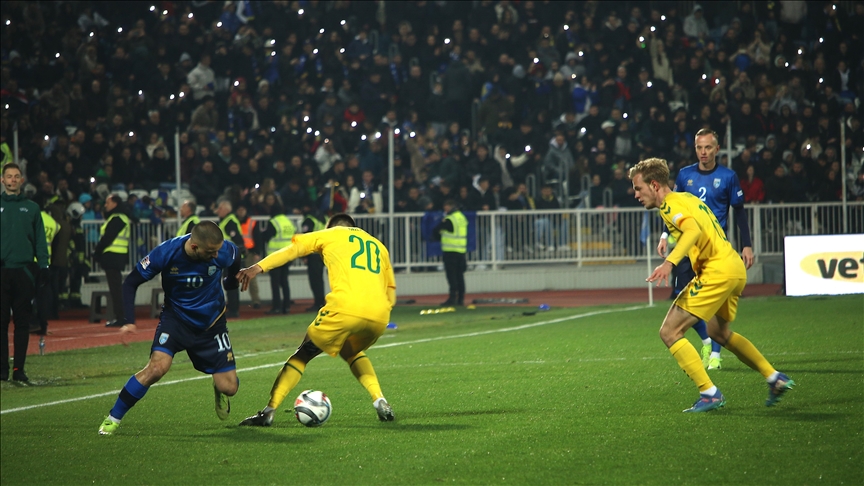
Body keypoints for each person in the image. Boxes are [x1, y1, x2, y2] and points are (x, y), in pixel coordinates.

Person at [629, 157, 794, 412]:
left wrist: (669, 263)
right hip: (733, 269)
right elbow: (694, 227)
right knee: (719, 333)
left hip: (715, 271)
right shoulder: (687, 199)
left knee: (669, 332)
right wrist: (668, 237)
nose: (635, 194)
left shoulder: (671, 205)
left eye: (638, 188)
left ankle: (709, 393)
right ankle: (774, 378)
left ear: (654, 184)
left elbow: (692, 230)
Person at [235, 213, 396, 426]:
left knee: (303, 353)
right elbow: (391, 291)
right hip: (379, 316)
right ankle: (379, 400)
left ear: (331, 227)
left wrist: (257, 267)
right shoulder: (379, 246)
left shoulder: (330, 234)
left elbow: (292, 250)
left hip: (345, 308)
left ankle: (268, 411)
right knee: (351, 351)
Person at [97, 222, 242, 435]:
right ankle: (113, 418)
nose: (216, 256)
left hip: (212, 323)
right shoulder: (166, 252)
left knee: (230, 388)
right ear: (194, 247)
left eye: (218, 250)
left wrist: (230, 281)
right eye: (210, 252)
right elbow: (130, 283)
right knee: (156, 368)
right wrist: (129, 320)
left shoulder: (222, 251)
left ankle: (217, 385)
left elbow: (235, 256)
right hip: (176, 320)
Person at [658, 128, 754, 371]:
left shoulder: (728, 176)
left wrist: (747, 244)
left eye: (708, 147)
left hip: (713, 251)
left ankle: (715, 354)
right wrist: (664, 235)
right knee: (682, 295)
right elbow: (672, 206)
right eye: (699, 147)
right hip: (689, 248)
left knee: (712, 305)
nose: (703, 152)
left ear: (717, 149)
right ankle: (706, 340)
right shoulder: (684, 175)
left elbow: (740, 212)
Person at [1, 164, 50, 382]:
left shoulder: (31, 208)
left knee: (22, 323)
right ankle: (2, 370)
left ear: (22, 180)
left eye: (16, 176)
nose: (12, 180)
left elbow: (40, 239)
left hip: (23, 272)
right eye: (9, 176)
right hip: (2, 271)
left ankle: (18, 370)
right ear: (2, 180)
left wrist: (44, 266)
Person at [94, 194, 132, 327]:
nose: (105, 205)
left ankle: (121, 317)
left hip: (112, 256)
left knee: (115, 289)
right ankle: (122, 316)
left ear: (115, 203)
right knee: (116, 288)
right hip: (118, 256)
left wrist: (96, 253)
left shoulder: (117, 218)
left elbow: (107, 238)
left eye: (107, 202)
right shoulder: (121, 217)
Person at [433, 199, 468, 306]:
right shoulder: (462, 217)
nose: (445, 210)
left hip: (450, 252)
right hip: (461, 251)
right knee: (460, 276)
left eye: (446, 208)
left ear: (450, 207)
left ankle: (452, 299)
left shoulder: (449, 219)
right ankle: (461, 299)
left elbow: (436, 231)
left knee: (452, 276)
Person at [262, 203, 294, 315]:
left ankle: (277, 307)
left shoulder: (274, 222)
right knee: (284, 282)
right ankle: (287, 307)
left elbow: (266, 237)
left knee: (275, 283)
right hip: (288, 255)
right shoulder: (288, 221)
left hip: (275, 256)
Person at [216, 199, 245, 318]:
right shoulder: (226, 221)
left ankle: (234, 310)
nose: (218, 211)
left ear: (227, 209)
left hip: (231, 258)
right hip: (229, 258)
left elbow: (238, 240)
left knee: (231, 284)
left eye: (220, 208)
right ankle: (232, 308)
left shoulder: (229, 222)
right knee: (229, 284)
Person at [300, 208, 327, 312]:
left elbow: (307, 239)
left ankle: (318, 303)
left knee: (315, 280)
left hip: (313, 255)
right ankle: (321, 302)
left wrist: (304, 256)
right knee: (320, 280)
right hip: (323, 253)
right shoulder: (324, 218)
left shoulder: (309, 220)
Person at [236, 204, 261, 309]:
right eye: (239, 209)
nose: (241, 212)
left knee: (251, 277)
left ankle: (255, 300)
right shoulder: (234, 222)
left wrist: (257, 253)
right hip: (237, 252)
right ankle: (235, 302)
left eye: (243, 209)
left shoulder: (251, 222)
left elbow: (258, 238)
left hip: (249, 253)